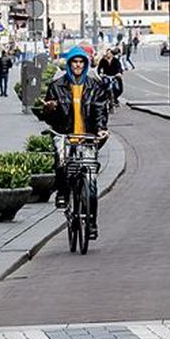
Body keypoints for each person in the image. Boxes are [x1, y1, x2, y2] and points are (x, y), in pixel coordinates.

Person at [36, 46, 109, 239]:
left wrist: (101, 129)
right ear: (69, 64)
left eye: (81, 62)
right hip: (65, 134)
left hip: (87, 136)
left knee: (91, 183)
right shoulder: (56, 86)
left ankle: (91, 223)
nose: (78, 65)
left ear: (85, 64)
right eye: (74, 62)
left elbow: (101, 110)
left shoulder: (95, 86)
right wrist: (50, 109)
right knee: (61, 160)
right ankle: (62, 192)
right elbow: (46, 115)